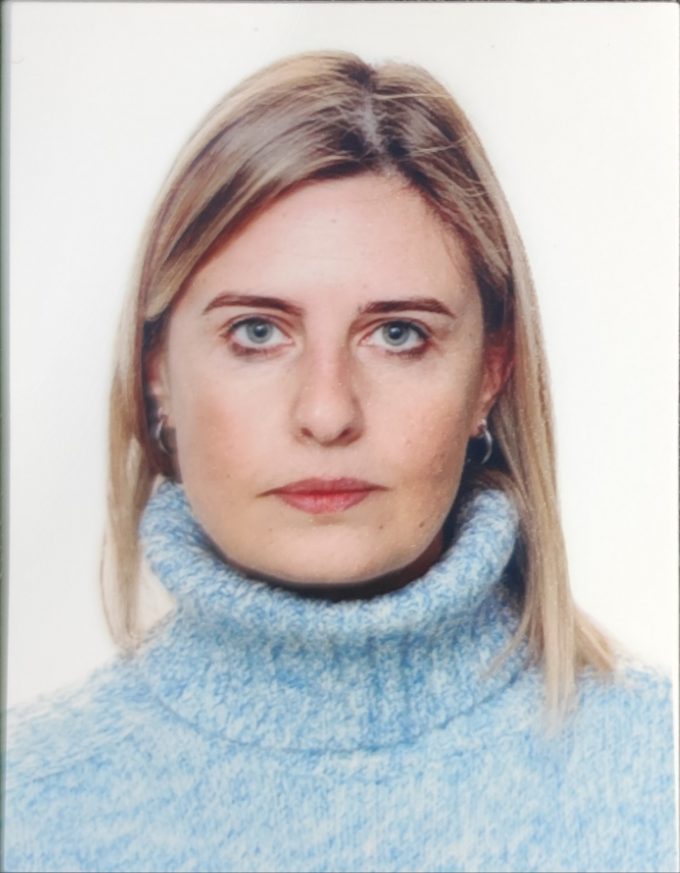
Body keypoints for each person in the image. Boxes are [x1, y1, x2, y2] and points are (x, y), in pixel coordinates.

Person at [4, 50, 676, 873]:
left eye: (398, 334)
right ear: (157, 375)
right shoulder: (25, 804)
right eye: (257, 332)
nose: (326, 413)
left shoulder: (658, 775)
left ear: (489, 375)